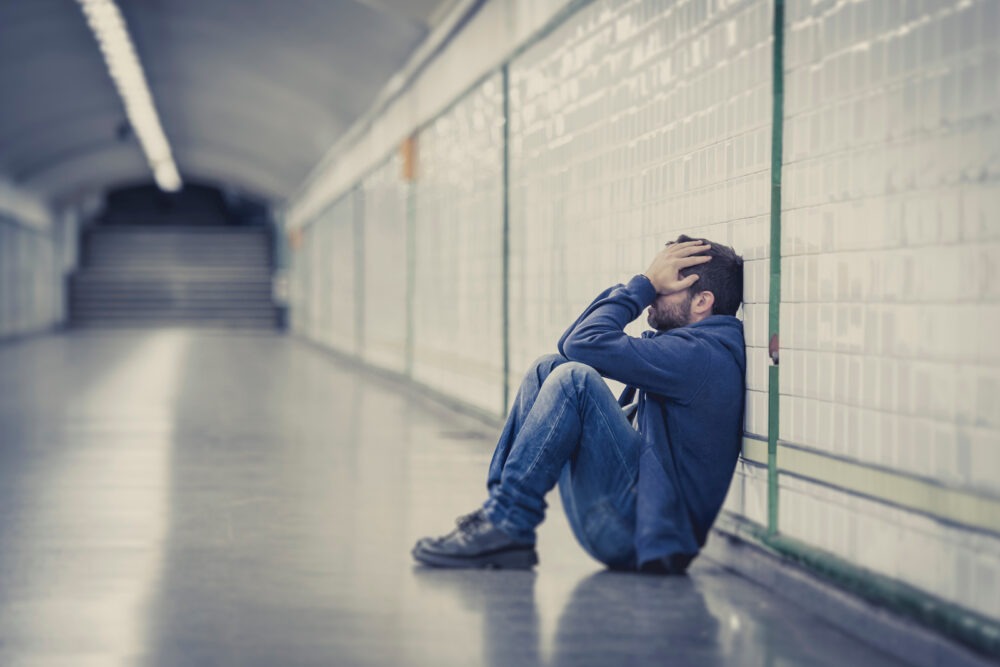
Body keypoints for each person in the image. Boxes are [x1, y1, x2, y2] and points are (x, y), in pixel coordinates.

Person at [412, 235, 746, 573]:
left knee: (574, 380)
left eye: (665, 287)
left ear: (702, 301)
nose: (653, 296)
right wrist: (644, 285)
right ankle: (501, 518)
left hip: (644, 540)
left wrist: (641, 286)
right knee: (550, 368)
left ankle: (506, 524)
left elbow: (583, 344)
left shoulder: (700, 357)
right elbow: (571, 343)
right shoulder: (694, 348)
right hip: (636, 521)